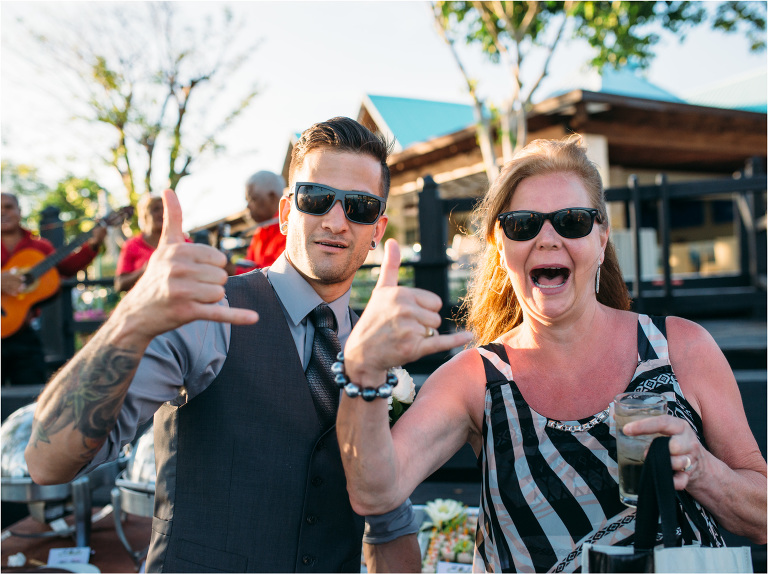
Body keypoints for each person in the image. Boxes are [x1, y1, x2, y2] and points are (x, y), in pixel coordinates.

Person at [336, 135, 767, 572]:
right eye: (523, 224)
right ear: (501, 247)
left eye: (572, 220)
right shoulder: (475, 379)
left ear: (602, 239)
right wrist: (363, 370)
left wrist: (701, 469)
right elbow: (377, 492)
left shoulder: (681, 349)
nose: (547, 239)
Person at [25, 117, 426, 573]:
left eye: (359, 206)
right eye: (316, 198)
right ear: (285, 211)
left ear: (378, 227)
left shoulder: (377, 348)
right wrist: (130, 321)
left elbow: (386, 517)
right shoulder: (207, 315)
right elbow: (46, 462)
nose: (336, 221)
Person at [1, 192, 106, 386]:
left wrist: (93, 244)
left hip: (24, 334)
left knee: (29, 394)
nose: (3, 212)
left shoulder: (40, 246)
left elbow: (66, 267)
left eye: (8, 207)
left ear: (19, 211)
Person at [234, 170, 287, 273]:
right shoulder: (260, 232)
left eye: (253, 199)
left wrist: (233, 270)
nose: (248, 206)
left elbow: (276, 277)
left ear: (272, 197)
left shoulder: (289, 230)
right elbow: (248, 268)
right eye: (247, 200)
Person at [114, 194, 164, 292]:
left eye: (164, 209)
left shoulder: (183, 242)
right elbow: (119, 284)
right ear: (145, 215)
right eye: (156, 209)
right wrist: (143, 271)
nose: (162, 213)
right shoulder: (131, 245)